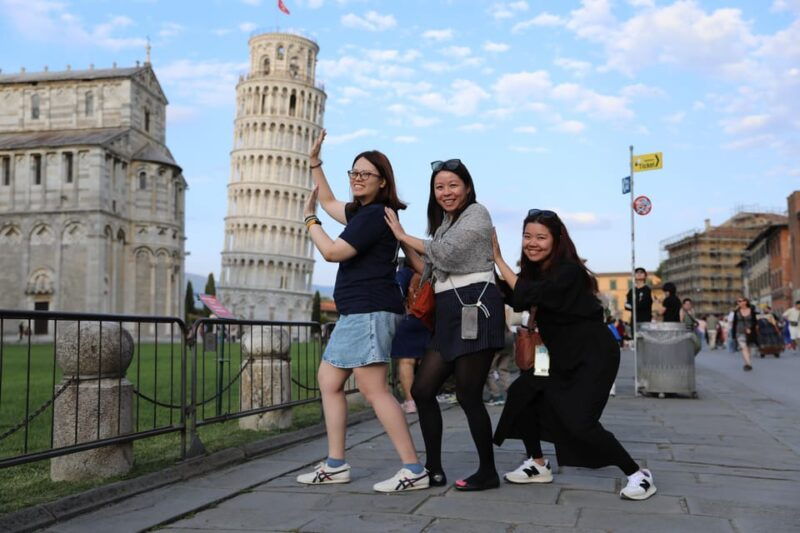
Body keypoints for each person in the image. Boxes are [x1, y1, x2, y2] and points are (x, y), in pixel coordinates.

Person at [492, 209, 657, 501]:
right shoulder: (534, 272)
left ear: (557, 240)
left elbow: (529, 294)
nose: (532, 243)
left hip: (591, 354)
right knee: (523, 394)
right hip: (554, 354)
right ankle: (538, 463)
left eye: (541, 237)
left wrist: (498, 259)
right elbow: (513, 294)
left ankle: (637, 474)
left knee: (579, 421)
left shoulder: (569, 271)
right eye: (527, 236)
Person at [296, 130, 428, 493]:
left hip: (369, 311)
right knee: (329, 380)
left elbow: (333, 252)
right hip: (360, 311)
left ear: (382, 181)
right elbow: (328, 200)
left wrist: (310, 221)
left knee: (373, 390)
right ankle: (336, 463)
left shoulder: (372, 216)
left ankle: (412, 467)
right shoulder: (363, 213)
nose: (356, 178)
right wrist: (315, 163)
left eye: (365, 174)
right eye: (353, 172)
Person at [384, 158, 505, 491]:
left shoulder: (477, 214)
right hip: (449, 314)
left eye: (453, 185)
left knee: (468, 395)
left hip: (476, 310)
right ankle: (433, 467)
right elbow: (430, 267)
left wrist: (402, 234)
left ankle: (488, 471)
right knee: (423, 390)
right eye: (440, 187)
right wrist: (399, 242)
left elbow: (447, 255)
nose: (446, 192)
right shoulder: (443, 225)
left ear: (467, 187)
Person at [391, 259, 431, 414]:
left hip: (410, 318)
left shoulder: (406, 272)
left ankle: (410, 401)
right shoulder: (430, 274)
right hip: (429, 321)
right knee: (424, 361)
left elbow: (397, 292)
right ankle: (424, 399)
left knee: (406, 361)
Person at [486, 306, 517, 406]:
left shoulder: (490, 312)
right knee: (503, 369)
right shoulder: (502, 309)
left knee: (488, 371)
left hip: (497, 343)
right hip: (508, 341)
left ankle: (496, 395)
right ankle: (512, 393)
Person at [732, 297, 757, 371]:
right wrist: (733, 335)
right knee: (744, 347)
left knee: (748, 348)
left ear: (745, 302)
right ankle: (749, 364)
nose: (740, 302)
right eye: (738, 301)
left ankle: (747, 362)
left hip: (750, 332)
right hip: (739, 331)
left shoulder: (752, 311)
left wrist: (751, 328)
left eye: (741, 301)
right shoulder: (736, 312)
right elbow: (734, 323)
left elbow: (755, 322)